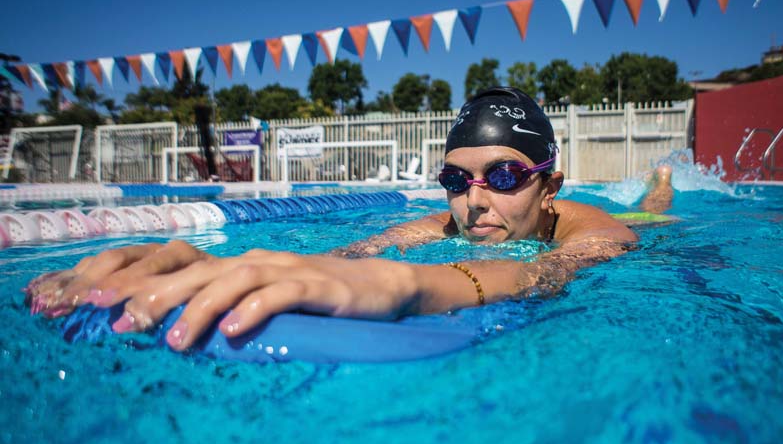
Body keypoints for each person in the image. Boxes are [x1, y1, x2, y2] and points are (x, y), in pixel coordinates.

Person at [26, 87, 673, 352]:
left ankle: (663, 184)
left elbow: (537, 276)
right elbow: (359, 252)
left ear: (549, 186)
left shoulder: (599, 235)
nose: (474, 201)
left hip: (642, 218)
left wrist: (408, 288)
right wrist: (221, 264)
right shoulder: (445, 226)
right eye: (456, 180)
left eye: (503, 177)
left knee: (658, 210)